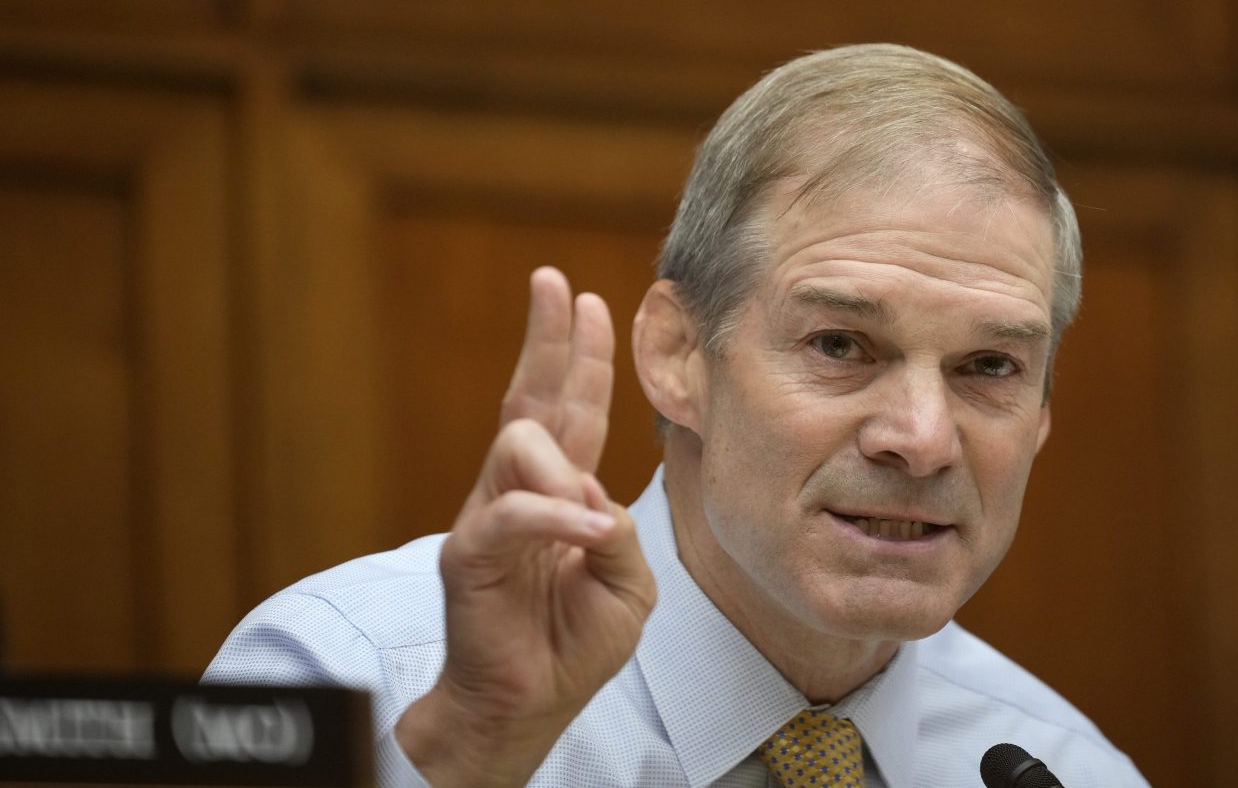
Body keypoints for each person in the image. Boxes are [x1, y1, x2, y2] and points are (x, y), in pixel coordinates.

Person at [206, 44, 1150, 787]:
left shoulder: (1068, 768)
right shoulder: (355, 678)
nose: (923, 437)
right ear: (676, 356)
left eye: (989, 367)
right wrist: (469, 755)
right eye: (839, 345)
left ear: (1041, 416)